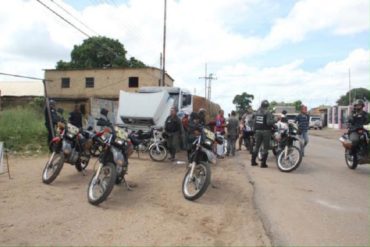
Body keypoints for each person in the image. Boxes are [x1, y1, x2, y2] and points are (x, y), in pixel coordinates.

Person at [251, 100, 275, 168]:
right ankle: (263, 164)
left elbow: (254, 122)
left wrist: (254, 130)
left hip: (258, 131)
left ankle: (253, 162)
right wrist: (275, 120)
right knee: (265, 147)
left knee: (256, 147)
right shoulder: (268, 112)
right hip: (266, 131)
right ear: (267, 105)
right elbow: (268, 123)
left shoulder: (257, 112)